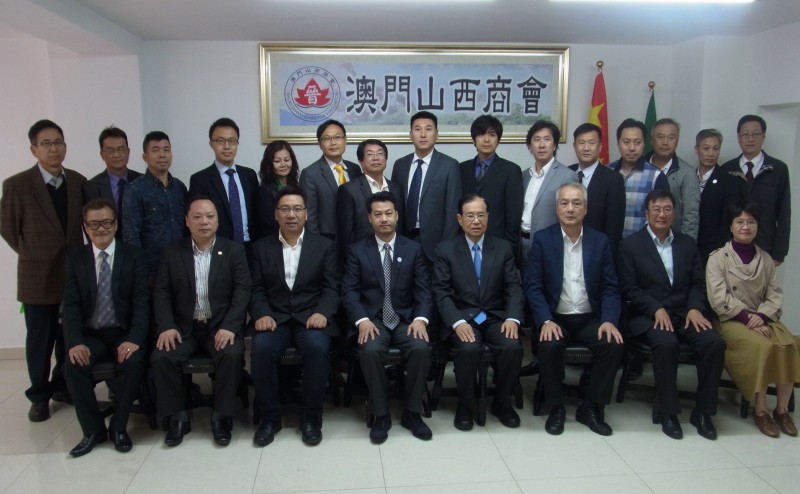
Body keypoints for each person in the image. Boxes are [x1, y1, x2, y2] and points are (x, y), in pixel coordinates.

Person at [618, 189, 725, 440]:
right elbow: (628, 288)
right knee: (666, 344)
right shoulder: (630, 245)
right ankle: (669, 412)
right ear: (646, 213)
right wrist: (654, 308)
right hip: (648, 315)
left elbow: (698, 282)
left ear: (674, 213)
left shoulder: (687, 244)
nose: (662, 214)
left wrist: (695, 307)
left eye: (667, 209)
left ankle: (703, 412)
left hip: (685, 312)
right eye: (656, 209)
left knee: (714, 344)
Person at [1, 119, 86, 422]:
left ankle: (62, 385)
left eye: (58, 142)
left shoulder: (77, 181)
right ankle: (39, 395)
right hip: (37, 277)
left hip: (72, 275)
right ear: (34, 149)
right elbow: (8, 229)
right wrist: (34, 252)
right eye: (46, 143)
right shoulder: (17, 185)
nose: (53, 149)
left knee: (68, 336)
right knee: (39, 340)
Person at [150, 197, 250, 447]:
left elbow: (242, 291)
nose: (204, 222)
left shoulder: (233, 251)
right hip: (183, 328)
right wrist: (166, 326)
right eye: (197, 217)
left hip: (220, 326)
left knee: (232, 354)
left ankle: (222, 416)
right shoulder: (172, 252)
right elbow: (161, 292)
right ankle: (178, 417)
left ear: (217, 221)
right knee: (162, 357)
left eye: (209, 216)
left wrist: (230, 326)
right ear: (187, 221)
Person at [525, 183, 624, 436]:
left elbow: (610, 287)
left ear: (586, 208)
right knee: (549, 345)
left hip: (590, 318)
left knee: (612, 344)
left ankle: (591, 407)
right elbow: (533, 286)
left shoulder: (600, 241)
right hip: (555, 317)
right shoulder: (543, 239)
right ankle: (556, 407)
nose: (570, 209)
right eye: (565, 203)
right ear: (557, 208)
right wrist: (545, 320)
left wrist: (609, 320)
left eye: (576, 203)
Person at [249, 186, 340, 447]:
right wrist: (262, 313)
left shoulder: (324, 246)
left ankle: (310, 417)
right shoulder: (260, 247)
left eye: (297, 209)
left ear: (306, 214)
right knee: (261, 349)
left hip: (310, 316)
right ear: (276, 214)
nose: (292, 214)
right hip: (274, 317)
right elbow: (255, 288)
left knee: (316, 348)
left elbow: (332, 287)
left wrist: (322, 312)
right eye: (285, 209)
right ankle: (270, 418)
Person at [341, 191, 433, 443]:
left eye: (389, 213)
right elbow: (349, 291)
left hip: (405, 319)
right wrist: (361, 320)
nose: (384, 219)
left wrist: (420, 319)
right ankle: (381, 413)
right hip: (373, 319)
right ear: (369, 218)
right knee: (370, 350)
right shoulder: (357, 250)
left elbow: (424, 290)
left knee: (421, 348)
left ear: (397, 216)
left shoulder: (413, 249)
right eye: (378, 214)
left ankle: (412, 413)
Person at [62, 198, 149, 457]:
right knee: (72, 365)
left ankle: (119, 427)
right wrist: (75, 342)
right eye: (94, 224)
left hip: (124, 333)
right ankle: (93, 430)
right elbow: (71, 305)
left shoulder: (133, 256)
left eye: (107, 222)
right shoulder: (76, 258)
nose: (101, 228)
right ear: (85, 227)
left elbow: (142, 303)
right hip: (92, 335)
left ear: (116, 225)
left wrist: (134, 339)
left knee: (133, 362)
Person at [706, 201, 800, 438]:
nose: (745, 227)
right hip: (731, 319)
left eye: (751, 222)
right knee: (764, 347)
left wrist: (761, 317)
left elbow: (775, 294)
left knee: (789, 345)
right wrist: (747, 318)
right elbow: (718, 298)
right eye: (740, 222)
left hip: (763, 318)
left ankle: (781, 410)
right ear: (731, 226)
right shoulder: (718, 258)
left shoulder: (765, 259)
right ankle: (760, 411)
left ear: (757, 226)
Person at [433, 194, 523, 431]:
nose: (476, 221)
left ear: (488, 217)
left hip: (494, 316)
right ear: (459, 219)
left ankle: (502, 403)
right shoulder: (445, 250)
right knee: (468, 348)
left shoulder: (503, 248)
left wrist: (512, 318)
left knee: (512, 346)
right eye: (470, 216)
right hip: (463, 317)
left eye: (480, 215)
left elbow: (513, 287)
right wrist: (456, 322)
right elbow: (441, 292)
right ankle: (465, 405)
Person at [391, 111, 462, 264]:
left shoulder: (449, 165)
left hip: (436, 242)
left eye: (428, 129)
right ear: (410, 135)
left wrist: (446, 247)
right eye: (417, 129)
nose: (423, 134)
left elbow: (452, 210)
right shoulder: (400, 165)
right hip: (404, 240)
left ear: (436, 134)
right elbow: (395, 205)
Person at [720, 115, 791, 265]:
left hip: (765, 248)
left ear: (763, 136)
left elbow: (784, 213)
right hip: (731, 250)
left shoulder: (778, 169)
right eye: (745, 134)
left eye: (756, 134)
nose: (750, 139)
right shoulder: (727, 170)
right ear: (738, 137)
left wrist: (779, 253)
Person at [122, 131, 187, 277]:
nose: (162, 155)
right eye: (155, 150)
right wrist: (140, 271)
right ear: (145, 157)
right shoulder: (135, 190)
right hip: (152, 269)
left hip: (182, 265)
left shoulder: (180, 187)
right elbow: (131, 236)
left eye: (166, 149)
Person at [188, 117, 261, 245]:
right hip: (219, 246)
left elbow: (255, 212)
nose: (227, 146)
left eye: (232, 141)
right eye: (220, 141)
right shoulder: (200, 180)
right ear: (211, 144)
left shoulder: (249, 175)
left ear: (237, 143)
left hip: (250, 246)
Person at [459, 115, 523, 251]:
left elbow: (513, 217)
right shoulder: (462, 168)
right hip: (465, 244)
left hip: (498, 244)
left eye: (492, 134)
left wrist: (508, 248)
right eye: (481, 134)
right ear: (474, 140)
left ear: (498, 139)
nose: (486, 139)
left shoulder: (511, 170)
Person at [519, 120, 578, 268]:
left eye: (547, 139)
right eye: (536, 140)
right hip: (521, 244)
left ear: (555, 145)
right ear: (529, 147)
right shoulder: (523, 176)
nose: (542, 145)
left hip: (551, 245)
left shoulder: (567, 175)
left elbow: (572, 216)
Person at [337, 139, 405, 261]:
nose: (376, 158)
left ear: (386, 159)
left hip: (395, 256)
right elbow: (346, 234)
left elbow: (401, 226)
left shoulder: (397, 188)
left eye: (380, 153)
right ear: (361, 161)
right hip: (362, 258)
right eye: (370, 154)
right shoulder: (348, 190)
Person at [299, 119, 362, 240]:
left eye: (337, 137)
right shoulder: (310, 174)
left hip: (355, 239)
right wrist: (317, 244)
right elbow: (310, 216)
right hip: (327, 240)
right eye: (327, 138)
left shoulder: (355, 169)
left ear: (345, 140)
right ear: (319, 143)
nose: (333, 143)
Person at [568, 123, 625, 255]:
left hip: (596, 250)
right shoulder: (567, 172)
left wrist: (607, 257)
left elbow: (614, 228)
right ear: (574, 146)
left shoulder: (613, 179)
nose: (586, 148)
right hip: (566, 247)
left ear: (600, 147)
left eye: (591, 143)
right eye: (581, 143)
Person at [608, 118, 669, 238]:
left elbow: (661, 217)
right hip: (609, 243)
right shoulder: (606, 172)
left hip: (641, 245)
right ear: (618, 143)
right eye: (626, 142)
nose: (632, 148)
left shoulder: (656, 176)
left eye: (637, 142)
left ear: (644, 144)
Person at [694, 129, 747, 261]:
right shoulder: (689, 176)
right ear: (697, 149)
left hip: (715, 250)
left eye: (715, 149)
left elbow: (728, 221)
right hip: (689, 246)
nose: (711, 153)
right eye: (706, 148)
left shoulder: (729, 181)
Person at [82, 126, 142, 240]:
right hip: (108, 245)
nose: (116, 155)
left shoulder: (142, 181)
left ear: (128, 152)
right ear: (102, 154)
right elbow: (90, 225)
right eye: (110, 151)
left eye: (121, 149)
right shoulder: (91, 187)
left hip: (139, 245)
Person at [644, 118, 700, 239]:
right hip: (639, 240)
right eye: (660, 137)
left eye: (671, 137)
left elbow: (691, 216)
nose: (665, 142)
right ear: (652, 140)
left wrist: (686, 246)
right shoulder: (639, 167)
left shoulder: (687, 173)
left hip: (672, 241)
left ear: (677, 142)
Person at [255, 140, 300, 237]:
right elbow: (269, 225)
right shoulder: (264, 192)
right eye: (277, 161)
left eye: (287, 160)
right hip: (274, 239)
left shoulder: (296, 187)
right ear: (269, 164)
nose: (283, 164)